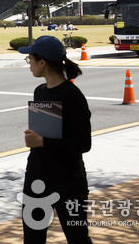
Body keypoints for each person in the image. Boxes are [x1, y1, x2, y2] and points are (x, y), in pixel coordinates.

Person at [17, 36, 92, 243]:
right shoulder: (40, 91)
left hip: (68, 180)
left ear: (43, 62)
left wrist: (42, 142)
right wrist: (35, 139)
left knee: (77, 237)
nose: (29, 64)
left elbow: (83, 143)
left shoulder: (73, 96)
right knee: (33, 238)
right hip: (37, 176)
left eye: (30, 59)